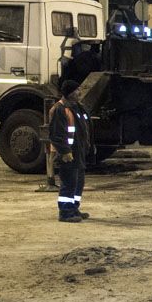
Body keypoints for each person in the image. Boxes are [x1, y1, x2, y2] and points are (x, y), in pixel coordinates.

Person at [49, 80, 92, 223]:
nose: (79, 92)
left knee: (78, 182)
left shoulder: (78, 108)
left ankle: (74, 208)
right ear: (68, 93)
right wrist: (65, 151)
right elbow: (57, 134)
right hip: (68, 154)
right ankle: (65, 212)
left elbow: (85, 129)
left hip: (78, 152)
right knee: (68, 182)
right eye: (76, 90)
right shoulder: (60, 110)